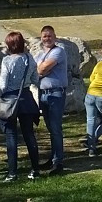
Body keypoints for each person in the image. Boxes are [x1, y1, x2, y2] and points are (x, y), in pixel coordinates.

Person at [0, 31, 41, 183]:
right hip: (26, 99)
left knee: (11, 136)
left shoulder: (8, 60)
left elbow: (2, 84)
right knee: (29, 135)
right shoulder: (30, 58)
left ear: (10, 45)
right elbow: (35, 79)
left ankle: (12, 173)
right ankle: (35, 169)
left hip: (10, 99)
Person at [35, 25, 67, 175]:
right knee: (50, 128)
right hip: (43, 94)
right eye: (44, 36)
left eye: (50, 36)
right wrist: (41, 71)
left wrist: (42, 71)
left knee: (55, 128)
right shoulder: (39, 54)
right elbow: (34, 72)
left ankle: (58, 162)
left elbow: (40, 70)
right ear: (41, 38)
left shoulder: (58, 51)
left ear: (55, 37)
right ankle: (53, 158)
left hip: (56, 94)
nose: (47, 38)